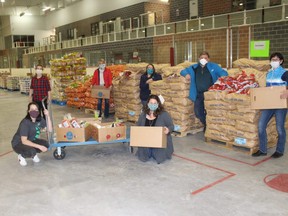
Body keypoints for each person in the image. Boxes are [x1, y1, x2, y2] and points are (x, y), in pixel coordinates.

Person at [180, 51, 228, 131]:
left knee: (211, 112)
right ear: (199, 59)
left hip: (210, 94)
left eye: (205, 58)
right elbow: (182, 71)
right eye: (202, 58)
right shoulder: (194, 67)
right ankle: (206, 124)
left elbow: (224, 73)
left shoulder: (213, 66)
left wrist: (223, 77)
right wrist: (186, 74)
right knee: (198, 112)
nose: (203, 59)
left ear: (208, 59)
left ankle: (209, 127)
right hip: (198, 93)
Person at [252, 52, 288, 158]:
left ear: (281, 61)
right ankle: (262, 150)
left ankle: (279, 150)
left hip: (280, 105)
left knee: (279, 128)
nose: (274, 61)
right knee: (261, 126)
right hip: (269, 104)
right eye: (273, 60)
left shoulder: (284, 73)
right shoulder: (268, 73)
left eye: (276, 60)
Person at [136, 94, 174, 164]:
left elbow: (171, 126)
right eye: (151, 103)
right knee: (143, 153)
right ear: (147, 104)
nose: (153, 105)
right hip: (146, 142)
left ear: (158, 104)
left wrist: (168, 130)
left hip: (160, 143)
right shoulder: (143, 115)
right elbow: (138, 127)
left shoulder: (164, 114)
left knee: (159, 153)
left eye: (155, 103)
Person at [11, 102, 52, 166]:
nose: (34, 111)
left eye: (36, 109)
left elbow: (50, 129)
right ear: (28, 111)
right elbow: (24, 141)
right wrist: (39, 146)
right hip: (18, 143)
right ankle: (22, 156)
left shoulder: (39, 119)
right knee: (31, 150)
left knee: (46, 144)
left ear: (38, 111)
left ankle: (33, 155)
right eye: (32, 109)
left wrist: (48, 116)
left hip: (30, 140)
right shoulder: (25, 123)